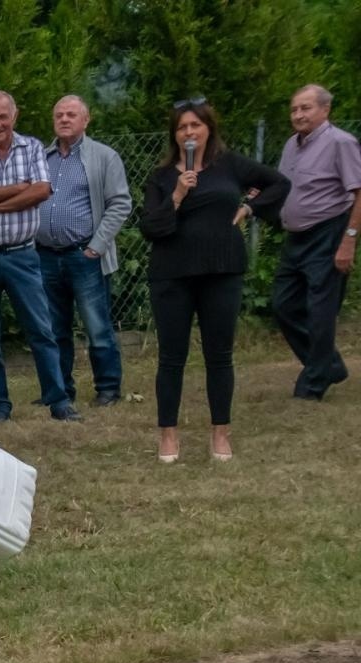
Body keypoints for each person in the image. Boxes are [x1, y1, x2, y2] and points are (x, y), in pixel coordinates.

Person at [138, 99, 288, 462]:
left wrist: (250, 208)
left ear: (208, 128)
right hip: (172, 275)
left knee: (219, 356)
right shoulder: (160, 178)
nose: (189, 132)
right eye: (182, 127)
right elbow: (151, 227)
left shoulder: (230, 165)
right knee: (171, 358)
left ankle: (221, 434)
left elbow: (279, 183)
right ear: (175, 135)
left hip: (221, 271)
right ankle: (168, 436)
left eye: (195, 125)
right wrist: (177, 195)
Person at [0, 90, 81, 423]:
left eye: (3, 117)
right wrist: (17, 189)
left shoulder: (33, 147)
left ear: (14, 117)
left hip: (23, 255)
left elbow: (41, 190)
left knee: (41, 329)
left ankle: (58, 400)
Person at [37, 95, 132, 408]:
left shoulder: (103, 157)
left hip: (85, 255)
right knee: (54, 329)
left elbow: (120, 203)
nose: (64, 119)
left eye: (71, 114)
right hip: (46, 256)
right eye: (59, 114)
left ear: (86, 120)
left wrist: (97, 246)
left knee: (97, 327)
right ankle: (60, 390)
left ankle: (107, 389)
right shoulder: (41, 158)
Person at [273, 84, 360, 402]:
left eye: (305, 108)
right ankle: (330, 365)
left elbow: (359, 192)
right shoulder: (290, 146)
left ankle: (313, 384)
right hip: (295, 238)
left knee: (320, 310)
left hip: (328, 233)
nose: (298, 114)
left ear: (325, 110)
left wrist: (348, 241)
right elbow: (284, 187)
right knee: (283, 305)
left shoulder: (341, 143)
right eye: (294, 109)